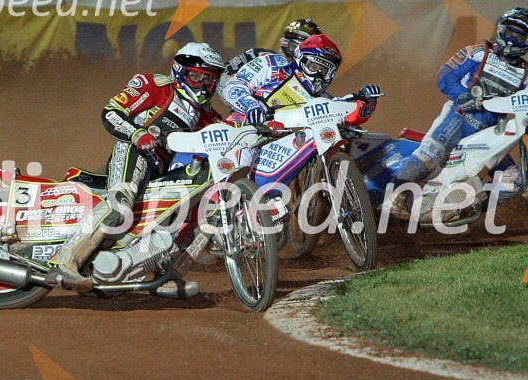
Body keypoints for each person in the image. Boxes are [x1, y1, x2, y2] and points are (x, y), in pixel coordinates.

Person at [46, 43, 226, 297]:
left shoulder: (206, 116)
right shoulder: (154, 85)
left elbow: (229, 130)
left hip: (162, 170)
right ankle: (65, 262)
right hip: (136, 153)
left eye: (209, 80)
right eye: (196, 76)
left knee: (199, 214)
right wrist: (137, 133)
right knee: (120, 204)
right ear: (179, 71)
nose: (202, 85)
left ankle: (168, 275)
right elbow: (111, 112)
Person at [393, 7, 528, 213]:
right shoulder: (479, 52)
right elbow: (445, 75)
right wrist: (463, 95)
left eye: (519, 37)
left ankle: (460, 210)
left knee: (513, 181)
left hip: (490, 132)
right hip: (457, 118)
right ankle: (394, 198)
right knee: (429, 155)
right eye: (509, 32)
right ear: (501, 30)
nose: (512, 40)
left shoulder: (526, 72)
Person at [221, 33, 380, 130]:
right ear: (300, 60)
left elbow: (346, 117)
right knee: (244, 159)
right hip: (248, 128)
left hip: (288, 144)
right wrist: (251, 106)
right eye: (313, 66)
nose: (318, 74)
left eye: (324, 70)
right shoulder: (273, 64)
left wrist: (366, 102)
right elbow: (234, 86)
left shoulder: (323, 100)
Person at [217, 18, 323, 107]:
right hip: (252, 116)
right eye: (291, 46)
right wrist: (249, 102)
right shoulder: (260, 55)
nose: (294, 53)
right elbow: (222, 77)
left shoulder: (312, 75)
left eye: (300, 50)